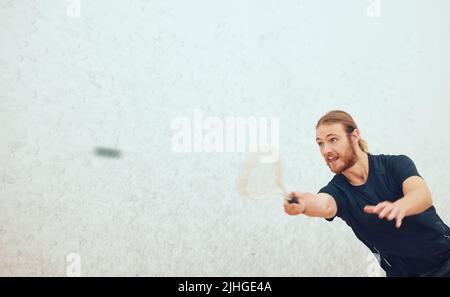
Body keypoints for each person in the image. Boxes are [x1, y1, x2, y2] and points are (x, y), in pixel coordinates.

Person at [284, 110, 450, 277]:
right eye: (320, 143)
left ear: (354, 136)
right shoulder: (338, 191)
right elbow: (324, 204)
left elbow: (421, 194)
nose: (326, 150)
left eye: (332, 140)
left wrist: (401, 207)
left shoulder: (395, 164)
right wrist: (303, 204)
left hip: (445, 261)